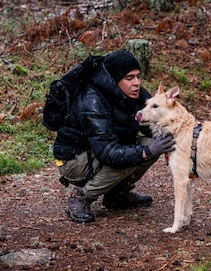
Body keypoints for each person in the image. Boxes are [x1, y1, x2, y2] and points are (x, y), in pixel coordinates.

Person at [52, 49, 176, 223]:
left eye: (138, 76)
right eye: (129, 78)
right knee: (133, 155)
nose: (137, 83)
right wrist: (146, 151)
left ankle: (116, 196)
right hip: (74, 161)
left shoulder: (133, 92)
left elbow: (153, 123)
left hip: (101, 149)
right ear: (114, 78)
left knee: (151, 144)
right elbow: (108, 153)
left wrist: (178, 138)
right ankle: (80, 198)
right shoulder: (93, 101)